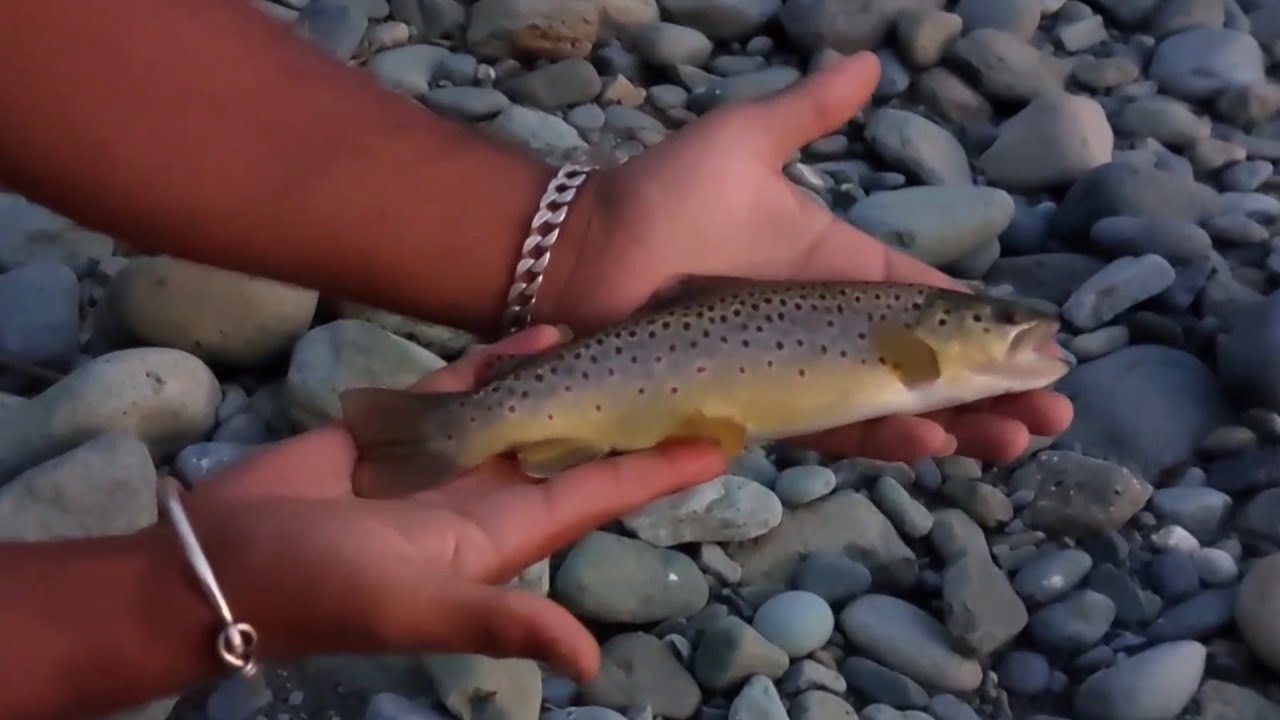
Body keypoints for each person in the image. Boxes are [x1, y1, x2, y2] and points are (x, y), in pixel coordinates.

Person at [0, 3, 1074, 719]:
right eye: (994, 319)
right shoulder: (903, 337)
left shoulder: (909, 343)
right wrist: (178, 601)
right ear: (944, 332)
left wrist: (578, 240)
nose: (1022, 336)